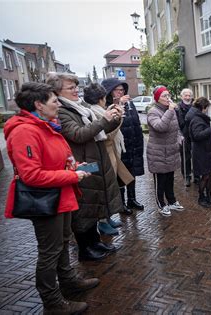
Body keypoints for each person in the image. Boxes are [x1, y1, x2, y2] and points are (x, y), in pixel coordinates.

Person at [4, 82, 99, 314]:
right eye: (54, 101)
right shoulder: (25, 131)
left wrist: (75, 166)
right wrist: (71, 175)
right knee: (50, 252)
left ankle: (68, 282)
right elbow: (31, 175)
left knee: (63, 243)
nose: (58, 104)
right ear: (38, 105)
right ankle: (52, 302)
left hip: (61, 194)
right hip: (46, 199)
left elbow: (54, 160)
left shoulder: (45, 125)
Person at [47, 73, 123, 261]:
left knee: (95, 201)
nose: (75, 90)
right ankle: (85, 248)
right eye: (70, 87)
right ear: (58, 91)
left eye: (75, 86)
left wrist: (114, 119)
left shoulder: (81, 108)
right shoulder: (63, 111)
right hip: (82, 164)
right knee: (84, 207)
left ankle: (95, 241)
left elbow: (99, 131)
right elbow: (79, 134)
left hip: (93, 162)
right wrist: (103, 120)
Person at [85, 83, 134, 236]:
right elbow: (107, 134)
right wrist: (118, 119)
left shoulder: (100, 110)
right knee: (102, 186)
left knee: (109, 183)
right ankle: (102, 221)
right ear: (102, 98)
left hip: (110, 151)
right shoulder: (96, 113)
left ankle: (106, 218)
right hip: (103, 153)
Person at [102, 78, 145, 213]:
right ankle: (121, 204)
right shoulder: (107, 107)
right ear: (110, 92)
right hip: (118, 146)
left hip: (132, 144)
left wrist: (139, 141)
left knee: (132, 173)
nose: (121, 92)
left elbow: (135, 123)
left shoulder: (129, 104)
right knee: (121, 175)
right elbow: (110, 126)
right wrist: (119, 105)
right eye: (117, 90)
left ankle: (131, 199)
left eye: (122, 90)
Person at [147, 85, 184, 216]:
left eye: (168, 95)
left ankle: (172, 201)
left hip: (171, 151)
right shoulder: (153, 112)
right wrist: (169, 111)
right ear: (157, 98)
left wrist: (179, 139)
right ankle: (161, 204)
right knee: (160, 181)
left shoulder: (171, 110)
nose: (168, 98)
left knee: (170, 179)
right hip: (158, 153)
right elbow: (160, 127)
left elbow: (177, 128)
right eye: (164, 96)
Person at [189, 97, 211, 207]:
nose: (207, 110)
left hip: (207, 151)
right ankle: (201, 197)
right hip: (201, 153)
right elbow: (197, 135)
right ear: (203, 108)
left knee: (210, 174)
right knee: (205, 176)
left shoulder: (199, 117)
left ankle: (208, 196)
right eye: (207, 107)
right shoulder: (197, 119)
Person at [176, 88, 195, 187]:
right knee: (186, 157)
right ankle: (187, 175)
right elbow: (177, 123)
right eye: (185, 95)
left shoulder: (195, 107)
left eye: (189, 95)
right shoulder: (178, 108)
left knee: (196, 156)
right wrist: (179, 135)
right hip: (184, 136)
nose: (187, 97)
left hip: (195, 135)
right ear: (182, 96)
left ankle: (196, 175)